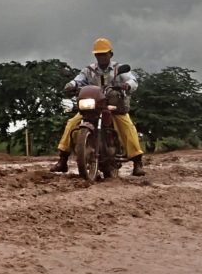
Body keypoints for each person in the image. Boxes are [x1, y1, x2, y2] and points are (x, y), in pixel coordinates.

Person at [50, 37, 146, 176]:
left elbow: (132, 80)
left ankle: (137, 162)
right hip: (93, 106)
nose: (101, 57)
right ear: (95, 55)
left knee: (127, 127)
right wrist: (71, 85)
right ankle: (62, 160)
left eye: (104, 53)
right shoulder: (89, 70)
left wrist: (127, 85)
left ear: (110, 54)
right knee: (72, 123)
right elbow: (78, 80)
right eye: (98, 54)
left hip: (113, 106)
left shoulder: (119, 69)